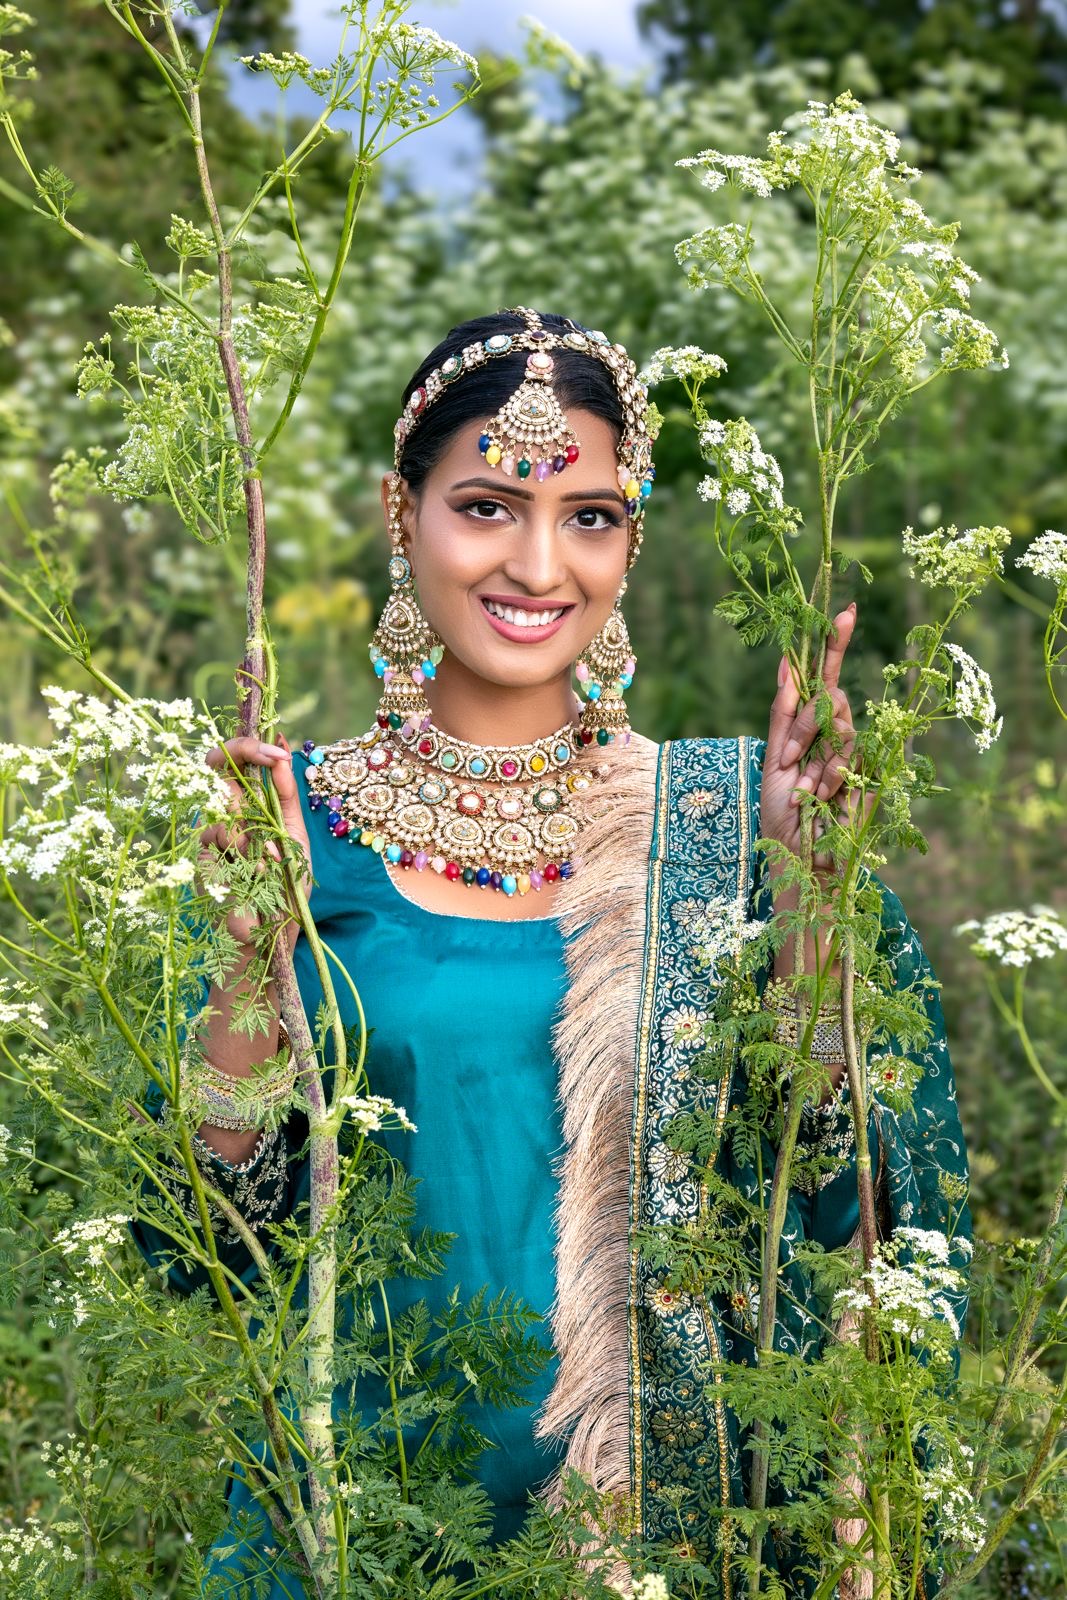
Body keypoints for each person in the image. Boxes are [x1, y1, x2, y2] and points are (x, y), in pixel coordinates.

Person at [132, 308, 972, 1599]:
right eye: (486, 506)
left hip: (653, 1550)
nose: (538, 564)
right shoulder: (294, 820)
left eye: (590, 515)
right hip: (364, 1534)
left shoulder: (719, 827)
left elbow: (837, 1219)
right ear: (398, 513)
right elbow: (200, 1262)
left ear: (632, 541)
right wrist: (252, 952)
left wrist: (810, 918)